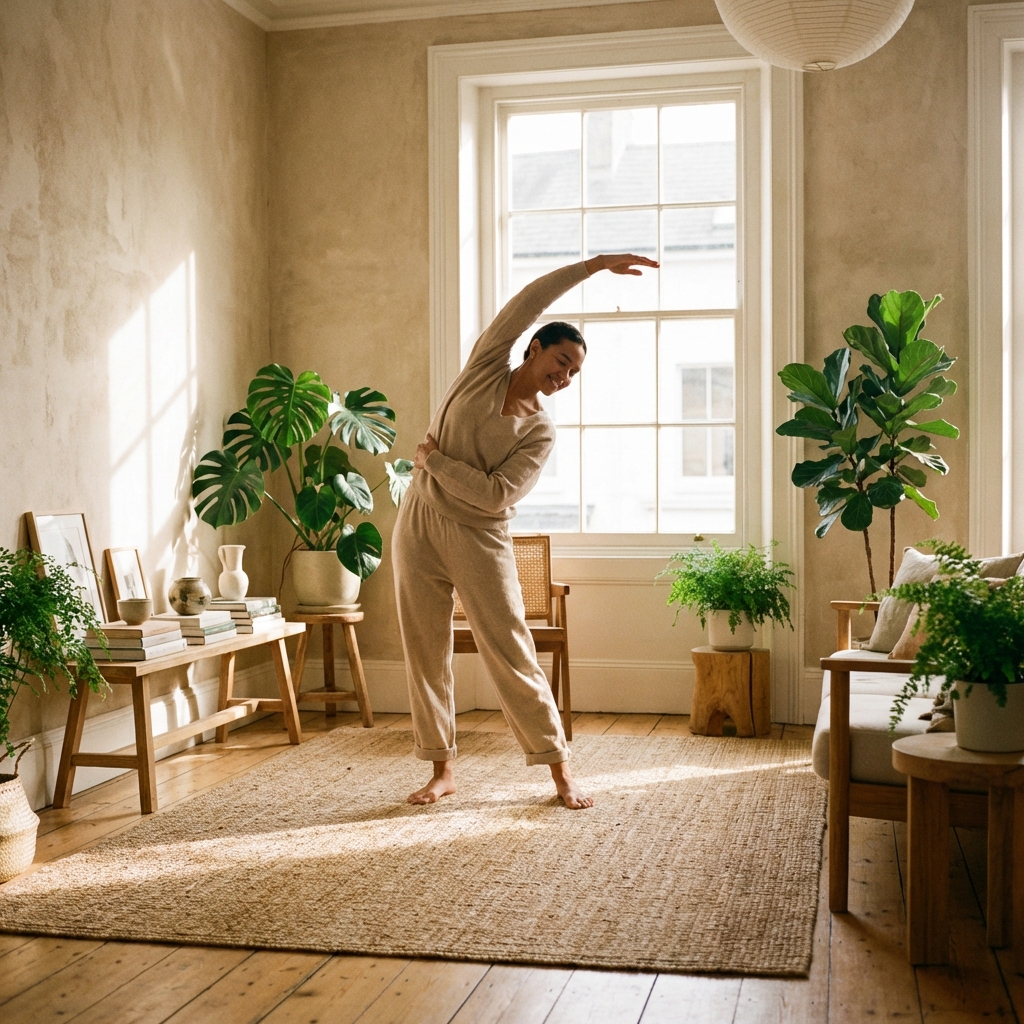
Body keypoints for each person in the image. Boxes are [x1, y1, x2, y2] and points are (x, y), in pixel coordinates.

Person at [392, 253, 659, 809]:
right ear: (533, 348)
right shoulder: (484, 366)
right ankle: (442, 769)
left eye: (571, 375)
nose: (562, 379)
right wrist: (594, 266)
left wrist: (435, 463)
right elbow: (528, 302)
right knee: (424, 647)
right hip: (418, 522)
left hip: (479, 536)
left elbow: (495, 494)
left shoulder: (539, 430)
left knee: (511, 649)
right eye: (559, 362)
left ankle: (560, 774)